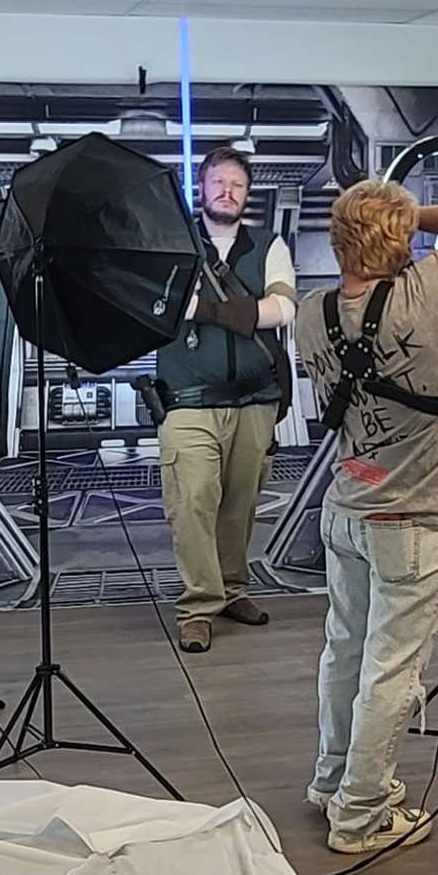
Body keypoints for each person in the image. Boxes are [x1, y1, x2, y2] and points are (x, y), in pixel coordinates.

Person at [292, 176, 438, 857]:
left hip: (348, 507)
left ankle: (333, 780)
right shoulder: (422, 295)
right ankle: (363, 815)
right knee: (392, 671)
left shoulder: (310, 312)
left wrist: (372, 217)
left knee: (344, 652)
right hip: (417, 521)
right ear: (403, 240)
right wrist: (412, 214)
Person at [152, 146, 298, 654]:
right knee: (193, 502)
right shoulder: (171, 245)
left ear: (247, 192)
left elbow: (282, 307)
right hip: (188, 403)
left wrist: (210, 311)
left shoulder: (268, 246)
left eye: (237, 184)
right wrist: (235, 310)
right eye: (218, 183)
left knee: (240, 505)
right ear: (202, 188)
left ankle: (234, 590)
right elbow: (160, 309)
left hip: (255, 402)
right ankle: (198, 607)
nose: (227, 192)